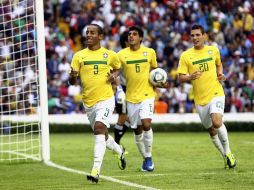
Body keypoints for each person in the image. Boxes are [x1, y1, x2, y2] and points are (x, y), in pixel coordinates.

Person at [69, 24, 126, 183]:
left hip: (106, 99)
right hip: (88, 102)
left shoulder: (110, 55)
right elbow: (72, 81)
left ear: (100, 36)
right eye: (87, 32)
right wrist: (73, 76)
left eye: (92, 32)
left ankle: (95, 171)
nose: (88, 35)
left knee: (99, 129)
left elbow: (118, 68)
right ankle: (119, 151)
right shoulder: (78, 56)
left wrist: (113, 76)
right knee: (103, 135)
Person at [177, 24, 236, 169]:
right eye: (193, 35)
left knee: (217, 122)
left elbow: (219, 64)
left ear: (204, 36)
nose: (195, 38)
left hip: (216, 92)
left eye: (198, 35)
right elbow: (180, 77)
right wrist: (190, 76)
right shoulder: (186, 56)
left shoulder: (213, 50)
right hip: (200, 99)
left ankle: (228, 152)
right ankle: (224, 156)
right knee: (211, 130)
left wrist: (220, 74)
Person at [118, 26, 160, 172]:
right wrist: (112, 79)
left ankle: (149, 158)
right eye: (129, 34)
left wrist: (160, 82)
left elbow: (155, 72)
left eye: (134, 34)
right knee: (137, 130)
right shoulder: (121, 54)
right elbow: (116, 71)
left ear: (141, 38)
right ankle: (146, 157)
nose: (131, 36)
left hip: (147, 95)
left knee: (146, 124)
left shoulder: (150, 52)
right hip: (131, 97)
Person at [113, 31, 130, 145]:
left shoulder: (138, 54)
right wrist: (119, 89)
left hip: (134, 90)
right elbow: (115, 72)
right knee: (123, 117)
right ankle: (116, 143)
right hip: (123, 91)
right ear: (126, 42)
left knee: (132, 119)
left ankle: (116, 142)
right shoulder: (119, 55)